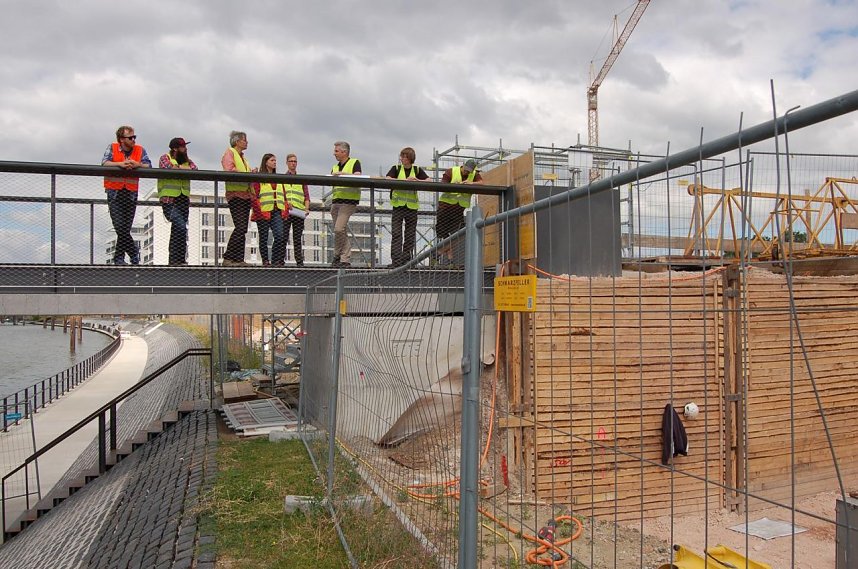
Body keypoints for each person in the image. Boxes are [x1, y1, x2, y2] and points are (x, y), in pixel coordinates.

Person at [102, 125, 151, 265]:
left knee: (124, 228)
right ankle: (134, 253)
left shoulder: (140, 150)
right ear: (121, 140)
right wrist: (121, 164)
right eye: (130, 137)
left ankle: (118, 259)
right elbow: (104, 163)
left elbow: (149, 165)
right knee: (120, 226)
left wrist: (137, 164)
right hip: (114, 192)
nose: (133, 140)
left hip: (130, 192)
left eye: (134, 137)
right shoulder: (112, 147)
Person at [385, 147, 428, 267]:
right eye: (401, 156)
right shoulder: (396, 168)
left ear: (410, 158)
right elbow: (388, 179)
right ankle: (396, 261)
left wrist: (417, 180)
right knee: (396, 233)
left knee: (410, 234)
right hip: (398, 206)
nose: (402, 158)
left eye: (404, 156)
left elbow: (428, 180)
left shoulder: (417, 169)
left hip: (412, 207)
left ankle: (407, 260)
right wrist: (404, 180)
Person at [157, 137, 197, 265]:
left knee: (178, 228)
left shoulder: (187, 160)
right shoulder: (165, 158)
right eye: (183, 147)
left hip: (183, 198)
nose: (185, 149)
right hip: (169, 199)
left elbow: (195, 169)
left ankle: (177, 260)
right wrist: (182, 168)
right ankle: (175, 258)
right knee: (180, 226)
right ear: (175, 148)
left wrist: (178, 167)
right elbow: (168, 167)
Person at [436, 159, 483, 266]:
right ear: (463, 166)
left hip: (459, 209)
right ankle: (450, 260)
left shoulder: (474, 174)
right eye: (466, 170)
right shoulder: (451, 171)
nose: (467, 173)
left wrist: (470, 183)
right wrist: (455, 185)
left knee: (458, 234)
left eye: (469, 171)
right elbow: (442, 185)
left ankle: (437, 253)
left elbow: (482, 182)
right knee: (444, 236)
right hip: (445, 207)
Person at [221, 130, 253, 266]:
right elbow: (229, 169)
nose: (247, 142)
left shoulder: (243, 158)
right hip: (236, 194)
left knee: (243, 228)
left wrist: (250, 173)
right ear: (237, 141)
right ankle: (228, 257)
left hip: (245, 195)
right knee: (240, 227)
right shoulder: (230, 153)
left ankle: (238, 259)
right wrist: (245, 174)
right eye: (244, 140)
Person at [250, 153, 288, 266]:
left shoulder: (279, 178)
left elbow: (283, 195)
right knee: (264, 237)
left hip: (277, 210)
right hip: (263, 211)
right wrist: (259, 210)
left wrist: (285, 208)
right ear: (266, 162)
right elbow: (254, 194)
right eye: (272, 160)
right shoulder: (259, 178)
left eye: (275, 160)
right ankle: (265, 260)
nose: (275, 162)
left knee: (280, 236)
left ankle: (275, 259)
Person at [329, 141, 362, 267]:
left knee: (338, 229)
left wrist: (343, 174)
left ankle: (341, 257)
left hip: (348, 201)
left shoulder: (355, 163)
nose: (334, 153)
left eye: (336, 151)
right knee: (340, 230)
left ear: (344, 152)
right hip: (336, 201)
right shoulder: (335, 167)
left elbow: (358, 177)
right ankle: (341, 258)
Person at [283, 153, 311, 267]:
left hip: (299, 212)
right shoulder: (283, 178)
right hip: (287, 211)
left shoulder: (301, 179)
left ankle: (299, 262)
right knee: (283, 236)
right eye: (291, 161)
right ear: (287, 163)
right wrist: (286, 203)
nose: (293, 163)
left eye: (295, 161)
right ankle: (281, 260)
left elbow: (306, 196)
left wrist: (307, 208)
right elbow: (281, 194)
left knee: (297, 237)